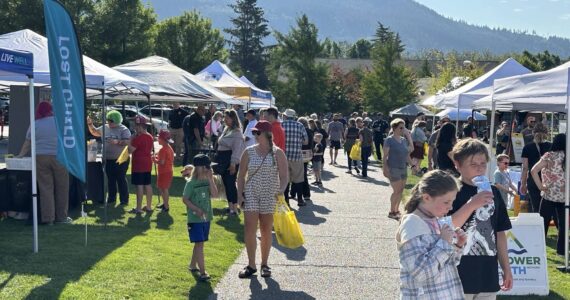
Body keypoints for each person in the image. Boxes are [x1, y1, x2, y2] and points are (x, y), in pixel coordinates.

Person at [449, 139, 513, 298]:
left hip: (487, 272)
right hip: (457, 273)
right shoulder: (450, 191)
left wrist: (506, 269)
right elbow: (445, 227)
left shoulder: (494, 192)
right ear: (458, 164)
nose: (479, 168)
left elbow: (499, 234)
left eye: (483, 164)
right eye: (473, 164)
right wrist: (472, 204)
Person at [397, 170, 467, 299]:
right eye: (446, 202)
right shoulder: (412, 224)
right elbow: (421, 274)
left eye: (452, 202)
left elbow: (445, 266)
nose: (450, 207)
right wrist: (444, 243)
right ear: (426, 197)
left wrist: (457, 246)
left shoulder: (436, 222)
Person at [237, 121, 289, 278]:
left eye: (257, 133)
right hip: (251, 192)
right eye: (254, 133)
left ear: (267, 134)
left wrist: (281, 190)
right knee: (249, 229)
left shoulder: (278, 153)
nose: (255, 135)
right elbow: (240, 176)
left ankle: (264, 264)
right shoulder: (248, 151)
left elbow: (285, 176)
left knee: (266, 230)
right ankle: (251, 265)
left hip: (269, 194)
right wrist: (239, 194)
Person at [17, 102, 71, 224]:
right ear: (51, 110)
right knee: (62, 187)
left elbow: (28, 142)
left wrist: (20, 155)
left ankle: (48, 219)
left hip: (40, 157)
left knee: (45, 188)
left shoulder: (35, 123)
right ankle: (62, 217)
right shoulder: (60, 122)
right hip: (60, 157)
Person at [183, 154, 218, 282]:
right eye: (208, 167)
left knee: (200, 243)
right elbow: (185, 199)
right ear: (200, 168)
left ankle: (193, 265)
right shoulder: (191, 183)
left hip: (206, 218)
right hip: (195, 219)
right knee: (199, 244)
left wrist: (210, 179)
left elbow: (214, 194)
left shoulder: (207, 180)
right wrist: (196, 209)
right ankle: (203, 272)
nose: (210, 169)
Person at [531, 133, 566, 256]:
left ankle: (537, 249)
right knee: (563, 225)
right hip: (564, 197)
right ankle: (561, 252)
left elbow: (533, 170)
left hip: (548, 194)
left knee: (542, 223)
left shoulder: (549, 156)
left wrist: (541, 186)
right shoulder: (567, 156)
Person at [87, 110, 131, 205]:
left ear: (117, 121)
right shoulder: (105, 127)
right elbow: (94, 132)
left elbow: (128, 142)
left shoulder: (124, 129)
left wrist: (117, 142)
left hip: (121, 158)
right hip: (108, 158)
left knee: (121, 178)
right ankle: (112, 198)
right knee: (111, 179)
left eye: (112, 122)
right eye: (108, 121)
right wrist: (90, 124)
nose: (109, 123)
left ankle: (124, 200)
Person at [383, 118, 414, 220]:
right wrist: (385, 168)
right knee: (396, 191)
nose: (403, 129)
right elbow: (385, 156)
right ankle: (391, 211)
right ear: (394, 128)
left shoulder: (404, 140)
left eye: (404, 127)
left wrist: (409, 136)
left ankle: (396, 210)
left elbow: (409, 152)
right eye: (401, 127)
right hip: (393, 168)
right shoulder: (389, 140)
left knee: (401, 190)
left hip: (403, 168)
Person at [216, 109, 245, 215]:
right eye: (224, 117)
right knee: (226, 184)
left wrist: (233, 164)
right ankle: (230, 207)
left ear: (233, 118)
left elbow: (237, 150)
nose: (225, 119)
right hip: (223, 159)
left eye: (227, 118)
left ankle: (234, 208)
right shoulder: (226, 129)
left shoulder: (237, 132)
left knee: (230, 184)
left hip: (230, 160)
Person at [521, 122, 551, 213]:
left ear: (533, 133)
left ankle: (538, 225)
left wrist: (523, 183)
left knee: (535, 208)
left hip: (533, 181)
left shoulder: (527, 147)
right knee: (548, 208)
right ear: (547, 133)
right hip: (547, 180)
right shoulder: (551, 146)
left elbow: (525, 168)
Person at [281, 109, 308, 206]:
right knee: (298, 178)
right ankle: (300, 199)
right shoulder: (300, 125)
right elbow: (306, 142)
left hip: (283, 156)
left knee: (285, 178)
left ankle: (286, 201)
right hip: (296, 155)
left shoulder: (281, 125)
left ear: (285, 116)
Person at [128, 116, 154, 214]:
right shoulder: (150, 136)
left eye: (137, 125)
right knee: (147, 184)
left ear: (141, 126)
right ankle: (148, 206)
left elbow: (130, 150)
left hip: (139, 164)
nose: (135, 127)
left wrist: (130, 140)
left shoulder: (139, 138)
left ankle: (138, 208)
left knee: (139, 186)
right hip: (147, 163)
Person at [154, 130, 174, 213]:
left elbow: (161, 162)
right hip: (168, 171)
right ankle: (165, 203)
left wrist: (154, 160)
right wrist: (157, 157)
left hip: (164, 172)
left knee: (164, 189)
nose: (158, 140)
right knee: (162, 188)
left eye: (159, 138)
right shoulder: (169, 148)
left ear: (163, 139)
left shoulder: (163, 149)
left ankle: (166, 206)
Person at [299, 117, 314, 201]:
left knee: (299, 174)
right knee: (303, 173)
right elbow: (311, 143)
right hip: (307, 154)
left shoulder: (302, 131)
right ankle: (306, 194)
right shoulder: (309, 131)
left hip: (300, 153)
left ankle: (300, 193)